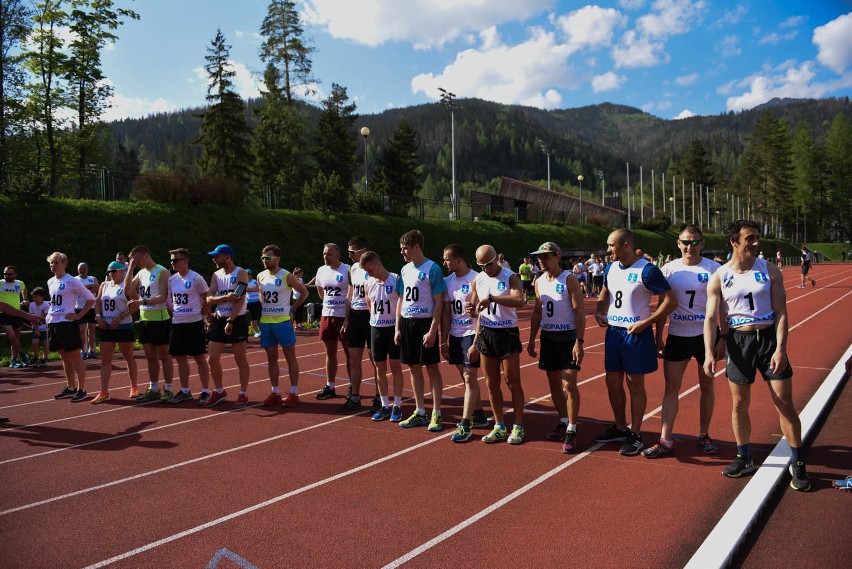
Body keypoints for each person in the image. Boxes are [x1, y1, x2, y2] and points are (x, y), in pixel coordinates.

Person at [704, 220, 810, 491]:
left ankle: (797, 461)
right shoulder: (720, 276)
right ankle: (744, 456)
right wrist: (709, 351)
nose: (755, 243)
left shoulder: (770, 270)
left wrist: (781, 348)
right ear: (734, 242)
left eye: (756, 238)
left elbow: (782, 312)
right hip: (739, 342)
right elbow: (710, 317)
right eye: (749, 238)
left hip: (768, 340)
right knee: (739, 404)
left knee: (783, 403)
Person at [593, 229, 677, 455]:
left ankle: (636, 433)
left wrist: (645, 323)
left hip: (636, 334)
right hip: (614, 332)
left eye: (612, 245)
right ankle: (620, 427)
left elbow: (670, 301)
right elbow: (605, 293)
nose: (608, 249)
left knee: (635, 384)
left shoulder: (648, 271)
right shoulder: (610, 268)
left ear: (626, 245)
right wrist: (600, 311)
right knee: (612, 382)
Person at [644, 226, 721, 458]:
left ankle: (704, 434)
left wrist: (723, 339)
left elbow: (724, 307)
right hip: (677, 335)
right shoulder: (668, 270)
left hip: (705, 337)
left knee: (707, 387)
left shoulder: (714, 269)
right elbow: (662, 305)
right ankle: (665, 439)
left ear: (703, 243)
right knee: (671, 388)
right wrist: (659, 337)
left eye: (695, 242)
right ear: (678, 244)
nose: (690, 247)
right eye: (686, 242)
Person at [527, 242, 585, 452]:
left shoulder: (569, 279)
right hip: (549, 337)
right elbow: (536, 311)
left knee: (568, 384)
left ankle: (572, 429)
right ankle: (562, 420)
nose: (542, 260)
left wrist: (579, 342)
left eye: (546, 256)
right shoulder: (539, 280)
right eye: (539, 257)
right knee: (553, 382)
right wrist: (533, 338)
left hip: (568, 337)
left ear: (557, 256)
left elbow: (579, 311)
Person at [468, 244, 526, 444]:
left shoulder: (510, 276)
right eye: (482, 266)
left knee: (512, 382)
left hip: (507, 333)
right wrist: (472, 312)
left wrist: (493, 299)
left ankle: (518, 426)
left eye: (489, 264)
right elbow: (476, 312)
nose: (487, 269)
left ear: (497, 259)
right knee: (491, 383)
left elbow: (520, 300)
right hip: (487, 333)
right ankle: (499, 425)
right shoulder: (478, 279)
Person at [395, 229, 446, 431]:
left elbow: (439, 301)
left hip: (425, 323)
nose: (402, 253)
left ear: (417, 247)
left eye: (405, 249)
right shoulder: (405, 270)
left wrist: (433, 330)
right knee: (413, 367)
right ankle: (420, 411)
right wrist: (398, 327)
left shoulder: (432, 269)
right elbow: (401, 299)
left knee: (432, 367)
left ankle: (437, 412)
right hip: (407, 322)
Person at [441, 244, 489, 443]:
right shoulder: (447, 281)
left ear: (458, 259)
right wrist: (443, 339)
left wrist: (476, 341)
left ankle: (466, 423)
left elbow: (483, 312)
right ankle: (478, 414)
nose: (444, 263)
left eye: (447, 259)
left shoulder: (477, 279)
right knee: (465, 377)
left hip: (471, 333)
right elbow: (445, 313)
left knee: (470, 378)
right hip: (455, 334)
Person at [257, 245, 308, 408]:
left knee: (290, 358)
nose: (265, 261)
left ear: (277, 259)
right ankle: (275, 392)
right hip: (266, 323)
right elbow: (261, 295)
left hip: (282, 322)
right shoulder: (260, 276)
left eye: (268, 258)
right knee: (271, 359)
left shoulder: (286, 275)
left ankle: (294, 393)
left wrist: (293, 308)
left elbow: (304, 292)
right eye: (263, 258)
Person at [125, 246, 175, 403]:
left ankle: (168, 389)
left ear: (146, 254)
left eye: (136, 259)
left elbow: (162, 297)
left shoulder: (162, 271)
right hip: (145, 318)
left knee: (164, 356)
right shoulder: (141, 273)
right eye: (132, 260)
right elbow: (127, 289)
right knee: (150, 356)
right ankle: (153, 388)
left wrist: (142, 301)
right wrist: (130, 268)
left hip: (160, 319)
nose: (136, 262)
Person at [360, 251, 405, 421]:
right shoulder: (368, 283)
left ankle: (397, 406)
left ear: (378, 264)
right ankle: (385, 405)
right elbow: (369, 304)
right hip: (376, 328)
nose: (368, 274)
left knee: (395, 366)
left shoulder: (396, 279)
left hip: (393, 328)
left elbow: (402, 303)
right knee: (379, 367)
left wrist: (398, 328)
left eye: (370, 270)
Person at [338, 236, 381, 413]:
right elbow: (349, 295)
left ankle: (380, 397)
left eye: (352, 252)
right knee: (353, 359)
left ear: (363, 251)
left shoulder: (375, 268)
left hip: (371, 317)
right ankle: (355, 397)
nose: (349, 256)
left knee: (376, 360)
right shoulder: (352, 269)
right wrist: (346, 319)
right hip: (355, 316)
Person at [205, 244, 251, 407]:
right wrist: (224, 298)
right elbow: (209, 298)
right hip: (219, 318)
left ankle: (243, 393)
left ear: (227, 257)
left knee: (240, 358)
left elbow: (240, 298)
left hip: (237, 320)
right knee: (212, 358)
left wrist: (231, 320)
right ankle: (219, 390)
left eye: (216, 256)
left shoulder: (240, 273)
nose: (214, 259)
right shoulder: (216, 275)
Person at [46, 252, 95, 402]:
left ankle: (82, 389)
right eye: (51, 263)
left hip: (67, 323)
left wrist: (79, 316)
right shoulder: (50, 281)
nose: (53, 265)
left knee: (75, 356)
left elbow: (91, 298)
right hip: (53, 322)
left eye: (56, 263)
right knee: (63, 356)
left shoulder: (72, 281)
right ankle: (70, 387)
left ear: (64, 264)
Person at [166, 248, 211, 404]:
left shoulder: (196, 278)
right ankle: (185, 390)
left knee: (199, 358)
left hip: (194, 323)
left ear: (185, 261)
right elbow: (171, 299)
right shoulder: (171, 280)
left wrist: (204, 317)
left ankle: (205, 391)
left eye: (175, 260)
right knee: (180, 358)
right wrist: (175, 313)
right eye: (171, 260)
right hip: (178, 323)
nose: (172, 263)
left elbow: (206, 300)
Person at [92, 262, 139, 403]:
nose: (111, 274)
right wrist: (98, 317)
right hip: (107, 327)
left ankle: (134, 387)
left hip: (123, 327)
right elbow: (98, 303)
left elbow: (136, 305)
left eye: (114, 271)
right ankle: (104, 392)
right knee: (105, 360)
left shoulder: (127, 286)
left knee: (128, 357)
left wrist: (121, 316)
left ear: (122, 271)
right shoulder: (104, 285)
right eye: (109, 271)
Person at [314, 243, 350, 400]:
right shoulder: (321, 270)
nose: (325, 257)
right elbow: (320, 291)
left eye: (328, 254)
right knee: (330, 352)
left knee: (350, 353)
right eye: (323, 254)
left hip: (344, 315)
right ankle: (330, 385)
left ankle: (353, 386)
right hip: (327, 314)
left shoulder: (348, 269)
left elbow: (353, 291)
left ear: (337, 255)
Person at [1, 265, 29, 368]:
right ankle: (23, 355)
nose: (6, 276)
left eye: (9, 274)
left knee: (16, 338)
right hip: (3, 313)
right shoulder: (0, 283)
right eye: (5, 274)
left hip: (17, 312)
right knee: (11, 336)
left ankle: (13, 360)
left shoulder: (19, 283)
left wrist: (25, 298)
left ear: (15, 275)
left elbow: (24, 288)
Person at [74, 262, 100, 359]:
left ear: (87, 270)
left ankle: (92, 350)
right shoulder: (75, 279)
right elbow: (76, 290)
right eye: (81, 268)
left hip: (91, 308)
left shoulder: (92, 278)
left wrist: (83, 288)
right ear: (78, 269)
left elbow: (97, 288)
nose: (83, 270)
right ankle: (83, 350)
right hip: (79, 308)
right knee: (81, 330)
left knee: (91, 329)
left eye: (84, 268)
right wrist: (88, 287)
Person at [29, 287, 50, 367]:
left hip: (45, 327)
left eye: (36, 297)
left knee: (45, 343)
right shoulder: (31, 305)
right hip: (36, 327)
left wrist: (36, 318)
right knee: (34, 342)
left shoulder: (46, 305)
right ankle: (36, 358)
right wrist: (36, 328)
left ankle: (45, 358)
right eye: (33, 296)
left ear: (42, 297)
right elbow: (32, 317)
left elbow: (44, 316)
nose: (34, 298)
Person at [245, 269, 262, 337]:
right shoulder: (244, 282)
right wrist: (253, 289)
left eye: (250, 274)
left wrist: (251, 289)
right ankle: (256, 331)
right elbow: (246, 290)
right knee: (253, 317)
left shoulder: (255, 281)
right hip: (249, 302)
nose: (249, 275)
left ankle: (262, 329)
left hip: (258, 301)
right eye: (247, 274)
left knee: (261, 316)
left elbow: (259, 289)